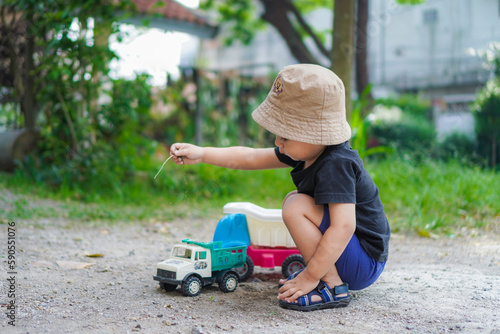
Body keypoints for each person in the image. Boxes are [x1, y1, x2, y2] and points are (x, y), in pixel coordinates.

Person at [169, 64, 390, 312]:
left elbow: (345, 225)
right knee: (294, 200)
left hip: (363, 261)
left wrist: (310, 276)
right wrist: (202, 153)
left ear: (314, 133)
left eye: (285, 135)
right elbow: (250, 157)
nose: (277, 142)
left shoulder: (336, 164)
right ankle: (326, 277)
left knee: (296, 205)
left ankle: (333, 287)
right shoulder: (309, 150)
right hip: (351, 253)